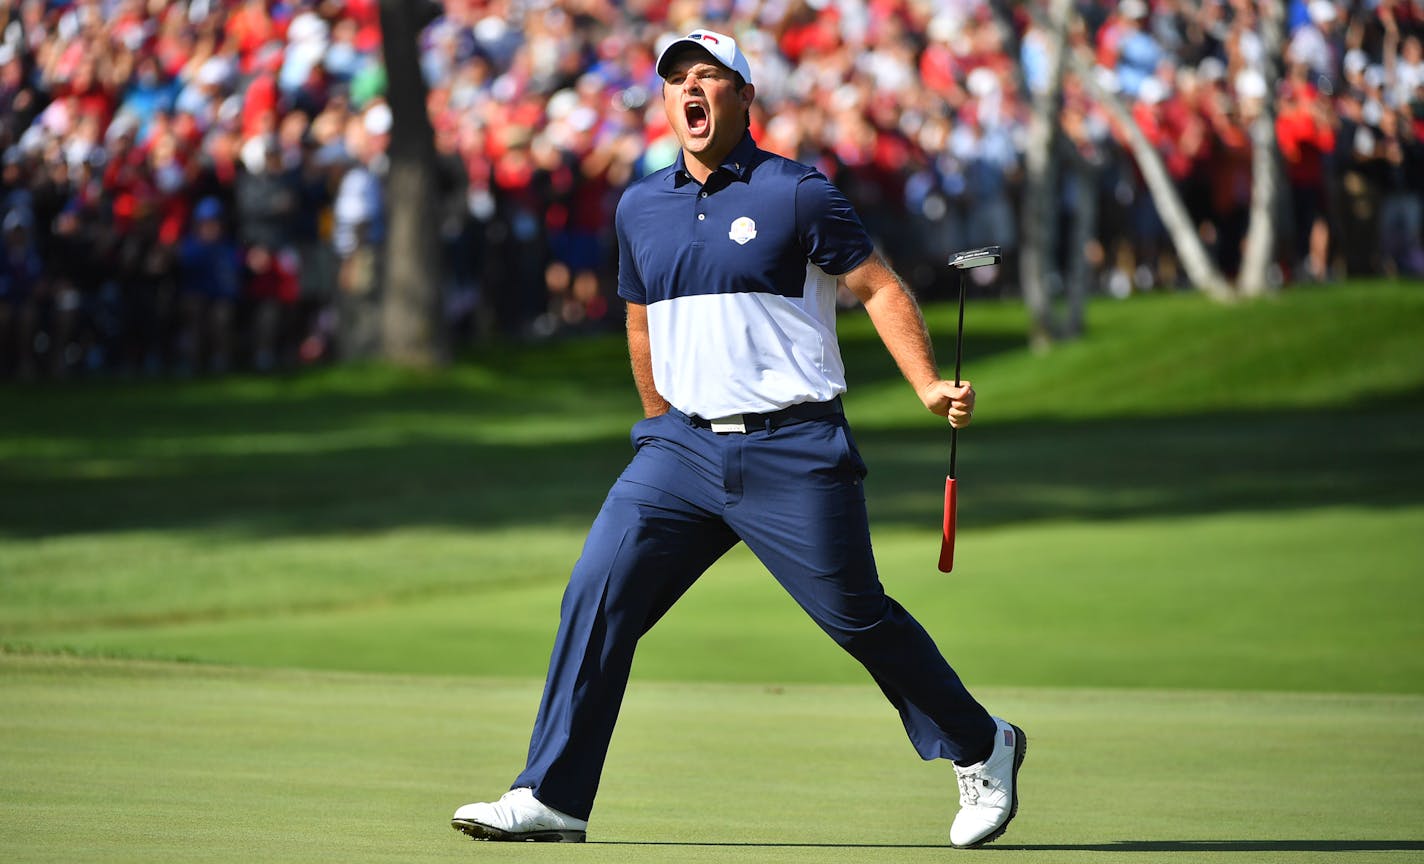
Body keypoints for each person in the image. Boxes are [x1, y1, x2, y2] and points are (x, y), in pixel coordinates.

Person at [451, 29, 1026, 849]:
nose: (690, 90)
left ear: (743, 97)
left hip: (794, 447)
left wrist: (929, 387)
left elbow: (878, 288)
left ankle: (983, 743)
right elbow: (640, 317)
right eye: (676, 79)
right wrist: (657, 424)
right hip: (680, 453)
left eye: (709, 77)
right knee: (596, 595)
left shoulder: (796, 193)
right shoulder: (638, 204)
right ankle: (551, 794)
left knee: (856, 619)